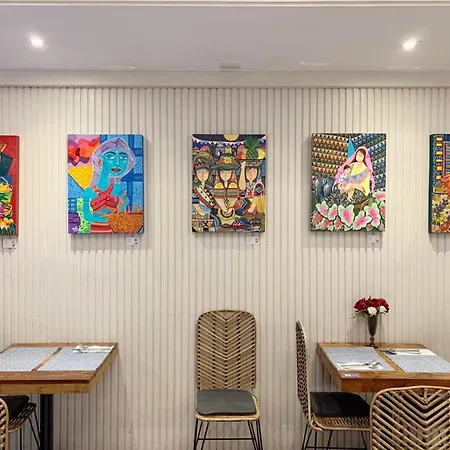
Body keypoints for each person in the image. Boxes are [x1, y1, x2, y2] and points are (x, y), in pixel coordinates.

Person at [82, 137, 136, 233]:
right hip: (96, 231)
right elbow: (87, 216)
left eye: (123, 158)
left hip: (117, 231)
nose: (117, 162)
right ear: (100, 161)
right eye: (110, 157)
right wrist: (109, 219)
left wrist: (120, 210)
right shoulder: (88, 191)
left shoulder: (118, 189)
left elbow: (123, 211)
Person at [192, 152, 217, 231]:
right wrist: (201, 211)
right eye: (199, 172)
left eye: (205, 172)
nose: (202, 175)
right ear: (196, 174)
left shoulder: (211, 188)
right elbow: (195, 203)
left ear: (209, 173)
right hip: (198, 214)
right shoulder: (194, 189)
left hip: (209, 215)